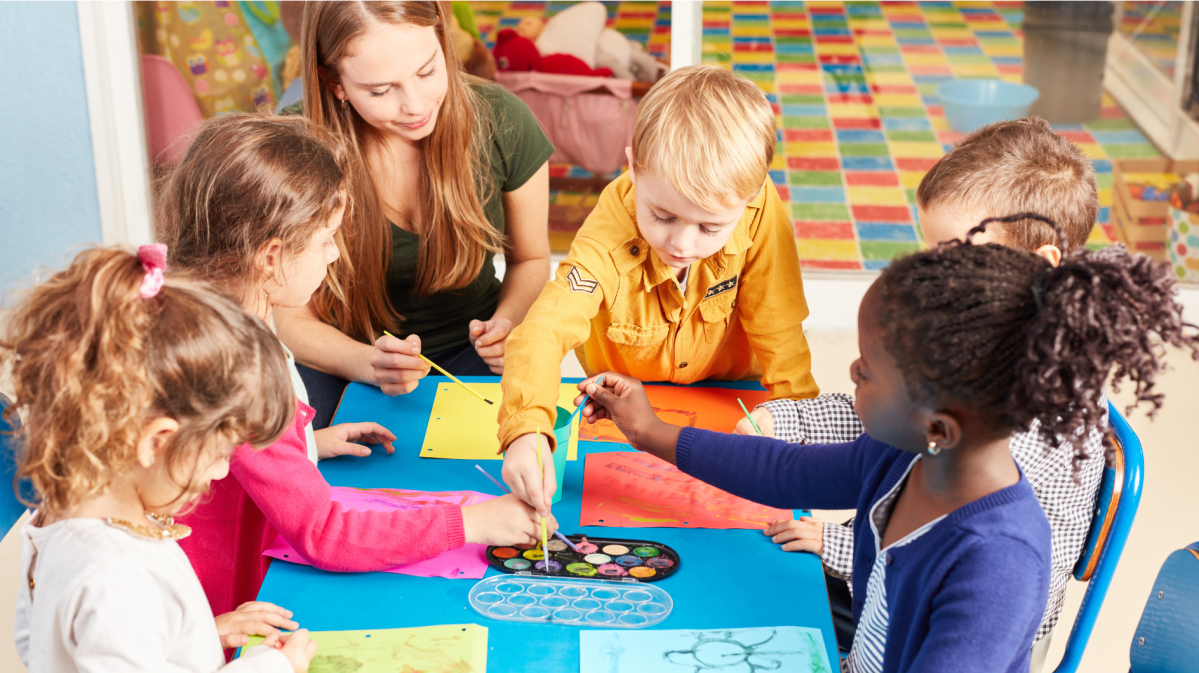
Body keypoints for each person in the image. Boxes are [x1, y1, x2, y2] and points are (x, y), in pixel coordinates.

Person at [575, 220, 1197, 673]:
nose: (851, 371)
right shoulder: (910, 456)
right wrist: (648, 431)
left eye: (867, 371)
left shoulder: (999, 565)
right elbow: (786, 471)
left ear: (940, 426)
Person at [156, 113, 556, 621]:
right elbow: (325, 533)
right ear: (271, 257)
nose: (335, 253)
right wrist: (471, 524)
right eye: (326, 239)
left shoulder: (200, 315)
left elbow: (231, 450)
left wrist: (303, 446)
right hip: (205, 600)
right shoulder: (239, 369)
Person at [738, 117, 1104, 667]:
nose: (934, 274)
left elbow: (947, 542)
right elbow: (885, 421)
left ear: (1038, 266)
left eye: (954, 254)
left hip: (962, 621)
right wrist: (786, 419)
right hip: (900, 578)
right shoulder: (966, 342)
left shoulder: (1032, 410)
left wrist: (833, 541)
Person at [498, 65, 820, 515]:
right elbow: (542, 332)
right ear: (632, 166)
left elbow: (780, 327)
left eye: (711, 226)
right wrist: (526, 430)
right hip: (623, 412)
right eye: (662, 217)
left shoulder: (761, 208)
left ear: (748, 199)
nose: (682, 244)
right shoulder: (606, 235)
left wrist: (801, 426)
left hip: (734, 398)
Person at [2, 246, 317, 672]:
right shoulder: (114, 577)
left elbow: (43, 644)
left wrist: (200, 632)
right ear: (156, 442)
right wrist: (270, 667)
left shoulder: (60, 518)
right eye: (221, 452)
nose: (223, 470)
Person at [276, 1, 555, 429]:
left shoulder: (502, 118)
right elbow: (285, 312)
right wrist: (364, 362)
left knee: (511, 446)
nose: (416, 105)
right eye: (381, 90)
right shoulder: (291, 146)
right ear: (334, 84)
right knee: (293, 453)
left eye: (427, 71)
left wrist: (508, 324)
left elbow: (532, 259)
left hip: (470, 349)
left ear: (442, 38)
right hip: (338, 356)